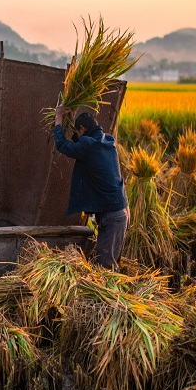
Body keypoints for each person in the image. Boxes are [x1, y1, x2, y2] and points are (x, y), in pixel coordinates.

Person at [53, 103, 129, 270]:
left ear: (82, 129)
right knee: (109, 267)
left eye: (78, 132)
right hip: (120, 211)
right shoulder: (107, 141)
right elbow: (80, 141)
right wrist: (73, 121)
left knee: (105, 270)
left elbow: (63, 145)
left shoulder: (89, 146)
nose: (77, 137)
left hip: (112, 217)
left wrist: (58, 118)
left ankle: (109, 296)